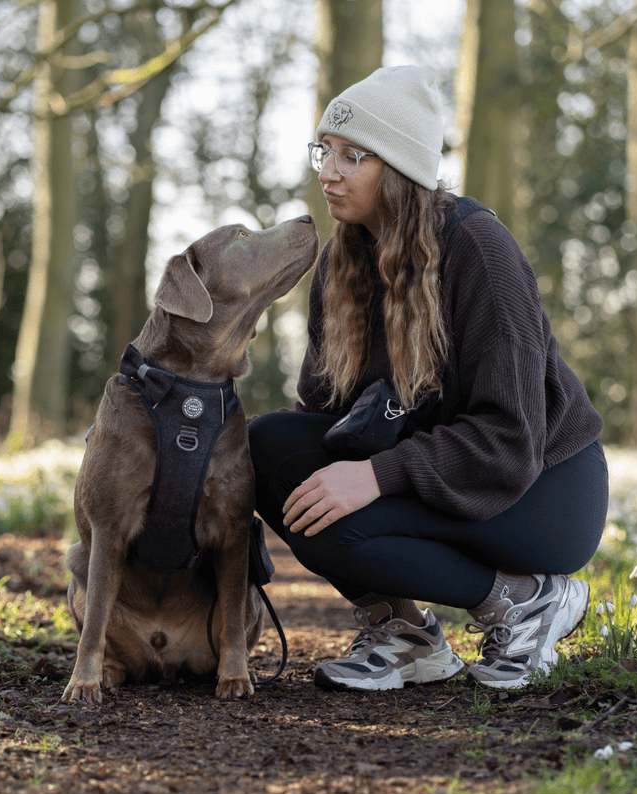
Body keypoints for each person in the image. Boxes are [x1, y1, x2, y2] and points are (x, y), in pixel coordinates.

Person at [248, 65, 607, 692]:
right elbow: (323, 413)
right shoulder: (341, 260)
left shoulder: (478, 250)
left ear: (400, 168)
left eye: (353, 156)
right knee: (269, 449)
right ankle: (407, 633)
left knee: (345, 510)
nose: (328, 172)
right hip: (433, 469)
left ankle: (526, 602)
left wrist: (377, 475)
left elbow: (508, 437)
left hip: (542, 490)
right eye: (324, 151)